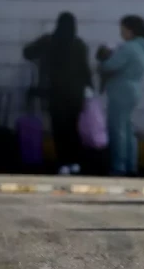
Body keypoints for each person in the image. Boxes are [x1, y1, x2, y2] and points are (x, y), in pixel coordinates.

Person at [23, 12, 93, 175]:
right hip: (75, 93)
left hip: (54, 92)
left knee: (59, 129)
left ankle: (63, 163)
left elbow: (27, 52)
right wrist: (89, 87)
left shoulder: (49, 41)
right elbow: (85, 69)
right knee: (73, 127)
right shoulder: (79, 44)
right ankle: (75, 162)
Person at [97, 15, 144, 177]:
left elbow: (110, 66)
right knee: (128, 129)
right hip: (133, 90)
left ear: (130, 30)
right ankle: (131, 164)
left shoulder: (128, 48)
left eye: (123, 30)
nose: (121, 33)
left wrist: (103, 59)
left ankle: (119, 166)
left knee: (117, 129)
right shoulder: (142, 47)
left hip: (121, 91)